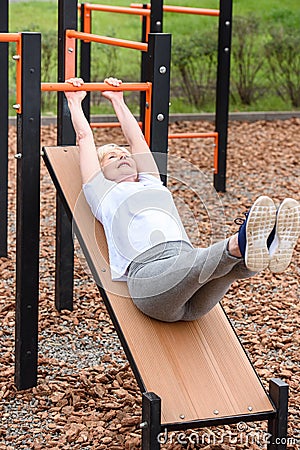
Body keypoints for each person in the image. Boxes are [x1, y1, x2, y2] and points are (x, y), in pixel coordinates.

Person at [64, 77, 300, 323]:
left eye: (125, 155)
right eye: (113, 157)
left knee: (228, 271)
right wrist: (74, 101)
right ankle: (245, 241)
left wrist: (118, 101)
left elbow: (137, 141)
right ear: (101, 173)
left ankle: (264, 247)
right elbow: (84, 138)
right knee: (203, 260)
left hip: (194, 294)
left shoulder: (151, 181)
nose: (123, 156)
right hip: (151, 282)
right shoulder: (103, 194)